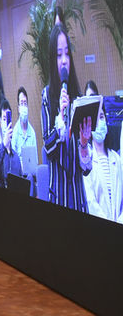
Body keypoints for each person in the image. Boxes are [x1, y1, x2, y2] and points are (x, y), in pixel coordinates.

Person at [41, 22, 89, 211]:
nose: (63, 60)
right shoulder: (47, 95)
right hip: (58, 195)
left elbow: (87, 169)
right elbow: (48, 147)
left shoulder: (79, 97)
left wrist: (84, 143)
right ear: (53, 58)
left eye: (67, 54)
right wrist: (60, 119)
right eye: (59, 54)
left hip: (78, 198)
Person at [80, 82, 122, 221]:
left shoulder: (117, 159)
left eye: (102, 117)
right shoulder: (86, 161)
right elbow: (90, 202)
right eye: (95, 118)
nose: (99, 122)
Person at [11, 87, 37, 181]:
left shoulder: (32, 132)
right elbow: (12, 161)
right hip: (19, 176)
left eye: (25, 103)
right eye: (21, 103)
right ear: (18, 108)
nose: (23, 106)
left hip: (31, 176)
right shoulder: (15, 132)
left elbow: (35, 161)